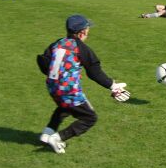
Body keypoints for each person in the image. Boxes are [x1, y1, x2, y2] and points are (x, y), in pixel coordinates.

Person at [37, 14, 131, 154]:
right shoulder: (81, 48)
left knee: (64, 107)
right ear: (82, 32)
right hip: (68, 90)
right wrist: (113, 86)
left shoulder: (58, 43)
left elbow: (42, 60)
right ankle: (57, 138)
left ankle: (47, 134)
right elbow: (94, 73)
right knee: (89, 118)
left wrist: (54, 75)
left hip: (52, 87)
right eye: (87, 29)